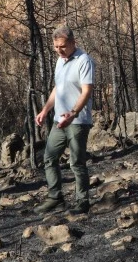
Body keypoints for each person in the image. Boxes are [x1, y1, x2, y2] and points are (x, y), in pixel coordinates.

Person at [34, 26, 95, 214]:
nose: (59, 51)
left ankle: (82, 201)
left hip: (78, 121)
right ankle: (55, 197)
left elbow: (87, 91)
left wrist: (74, 113)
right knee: (49, 158)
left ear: (73, 43)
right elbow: (57, 88)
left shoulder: (84, 61)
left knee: (77, 162)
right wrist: (45, 110)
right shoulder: (60, 61)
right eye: (55, 47)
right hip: (58, 121)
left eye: (62, 46)